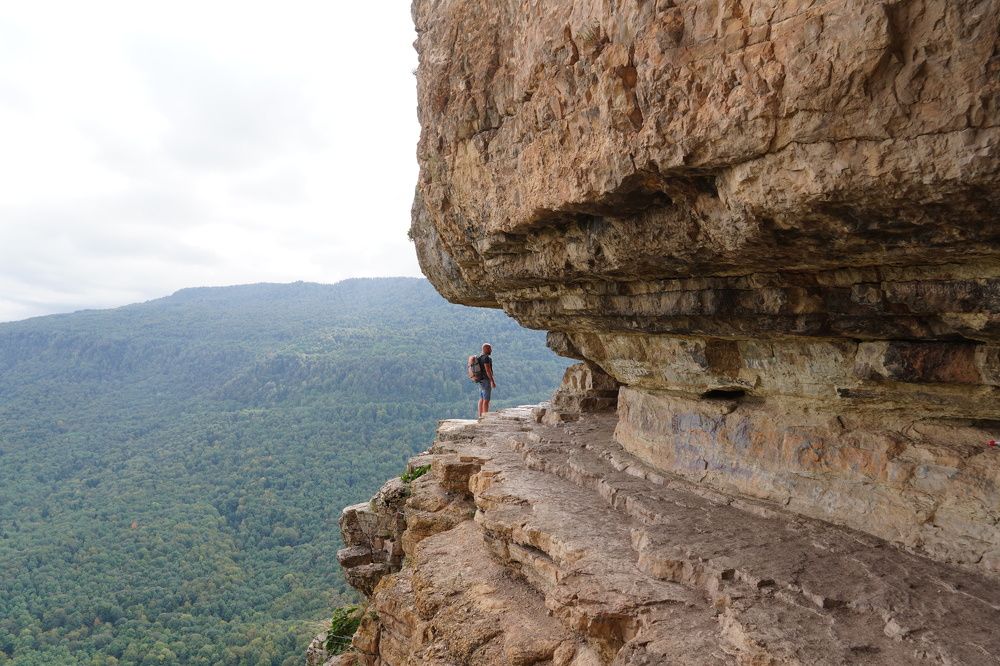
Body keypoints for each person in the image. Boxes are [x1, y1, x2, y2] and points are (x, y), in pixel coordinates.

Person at [475, 343, 496, 418]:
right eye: (490, 348)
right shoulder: (486, 358)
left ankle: (480, 415)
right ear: (485, 349)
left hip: (481, 381)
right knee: (486, 400)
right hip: (486, 381)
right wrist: (492, 381)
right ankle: (485, 417)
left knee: (481, 399)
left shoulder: (480, 357)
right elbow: (488, 370)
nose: (491, 350)